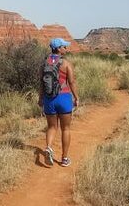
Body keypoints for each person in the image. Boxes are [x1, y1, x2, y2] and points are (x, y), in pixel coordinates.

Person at [38, 37, 79, 167]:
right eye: (64, 47)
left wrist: (40, 98)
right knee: (65, 128)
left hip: (49, 99)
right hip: (64, 98)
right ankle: (64, 159)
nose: (65, 49)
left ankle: (49, 148)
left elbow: (41, 83)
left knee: (51, 127)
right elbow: (71, 82)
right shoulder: (66, 64)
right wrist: (76, 97)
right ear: (58, 48)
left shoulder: (45, 63)